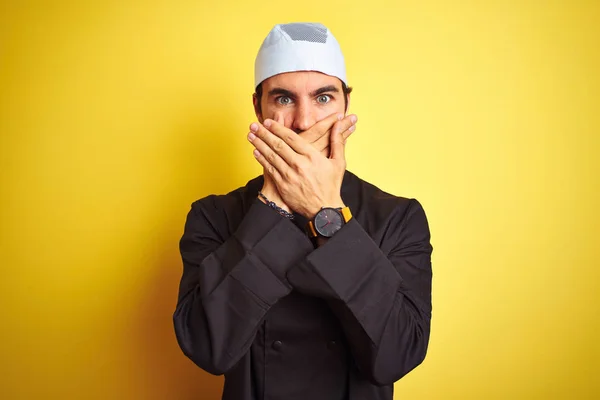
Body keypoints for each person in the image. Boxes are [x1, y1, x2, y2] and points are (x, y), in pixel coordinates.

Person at [173, 22, 433, 400]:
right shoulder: (214, 216)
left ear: (346, 106)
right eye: (283, 99)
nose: (304, 121)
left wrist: (325, 210)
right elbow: (207, 347)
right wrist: (274, 200)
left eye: (323, 98)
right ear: (258, 107)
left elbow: (397, 355)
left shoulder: (398, 218)